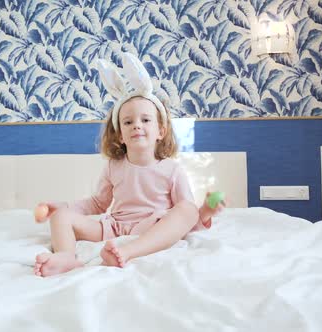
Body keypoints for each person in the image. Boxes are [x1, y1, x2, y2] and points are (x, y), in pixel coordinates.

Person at [33, 53, 224, 277]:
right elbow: (97, 203)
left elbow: (185, 217)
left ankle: (128, 251)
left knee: (188, 208)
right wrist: (65, 208)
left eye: (145, 120)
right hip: (114, 227)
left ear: (160, 131)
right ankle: (66, 257)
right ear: (121, 135)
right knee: (61, 217)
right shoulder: (114, 166)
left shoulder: (172, 170)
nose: (136, 125)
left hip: (151, 227)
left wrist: (205, 212)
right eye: (128, 122)